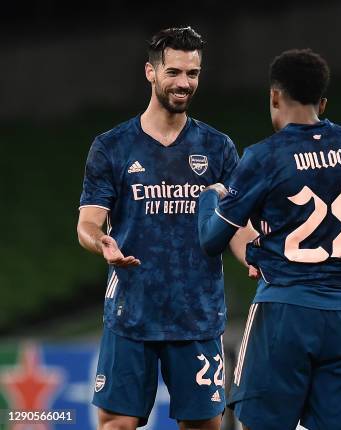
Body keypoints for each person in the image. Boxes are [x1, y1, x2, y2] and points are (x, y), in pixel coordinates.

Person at [77, 26, 255, 430]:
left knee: (204, 427)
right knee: (115, 424)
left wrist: (253, 255)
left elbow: (236, 225)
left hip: (197, 315)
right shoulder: (112, 146)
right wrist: (100, 242)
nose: (184, 83)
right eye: (174, 72)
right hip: (131, 311)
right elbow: (88, 221)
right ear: (150, 73)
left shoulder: (218, 147)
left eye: (192, 73)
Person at [197, 49, 341, 430]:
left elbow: (211, 239)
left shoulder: (264, 157)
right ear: (323, 102)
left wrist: (210, 197)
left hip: (285, 311)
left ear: (274, 97)